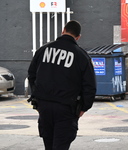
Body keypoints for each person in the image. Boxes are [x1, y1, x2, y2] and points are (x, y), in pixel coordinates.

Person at [28, 20, 96, 150]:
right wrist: (84, 107)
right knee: (61, 145)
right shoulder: (81, 55)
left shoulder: (43, 50)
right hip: (66, 108)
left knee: (49, 144)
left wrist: (38, 98)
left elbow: (32, 75)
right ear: (78, 37)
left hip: (44, 106)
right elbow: (89, 85)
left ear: (63, 30)